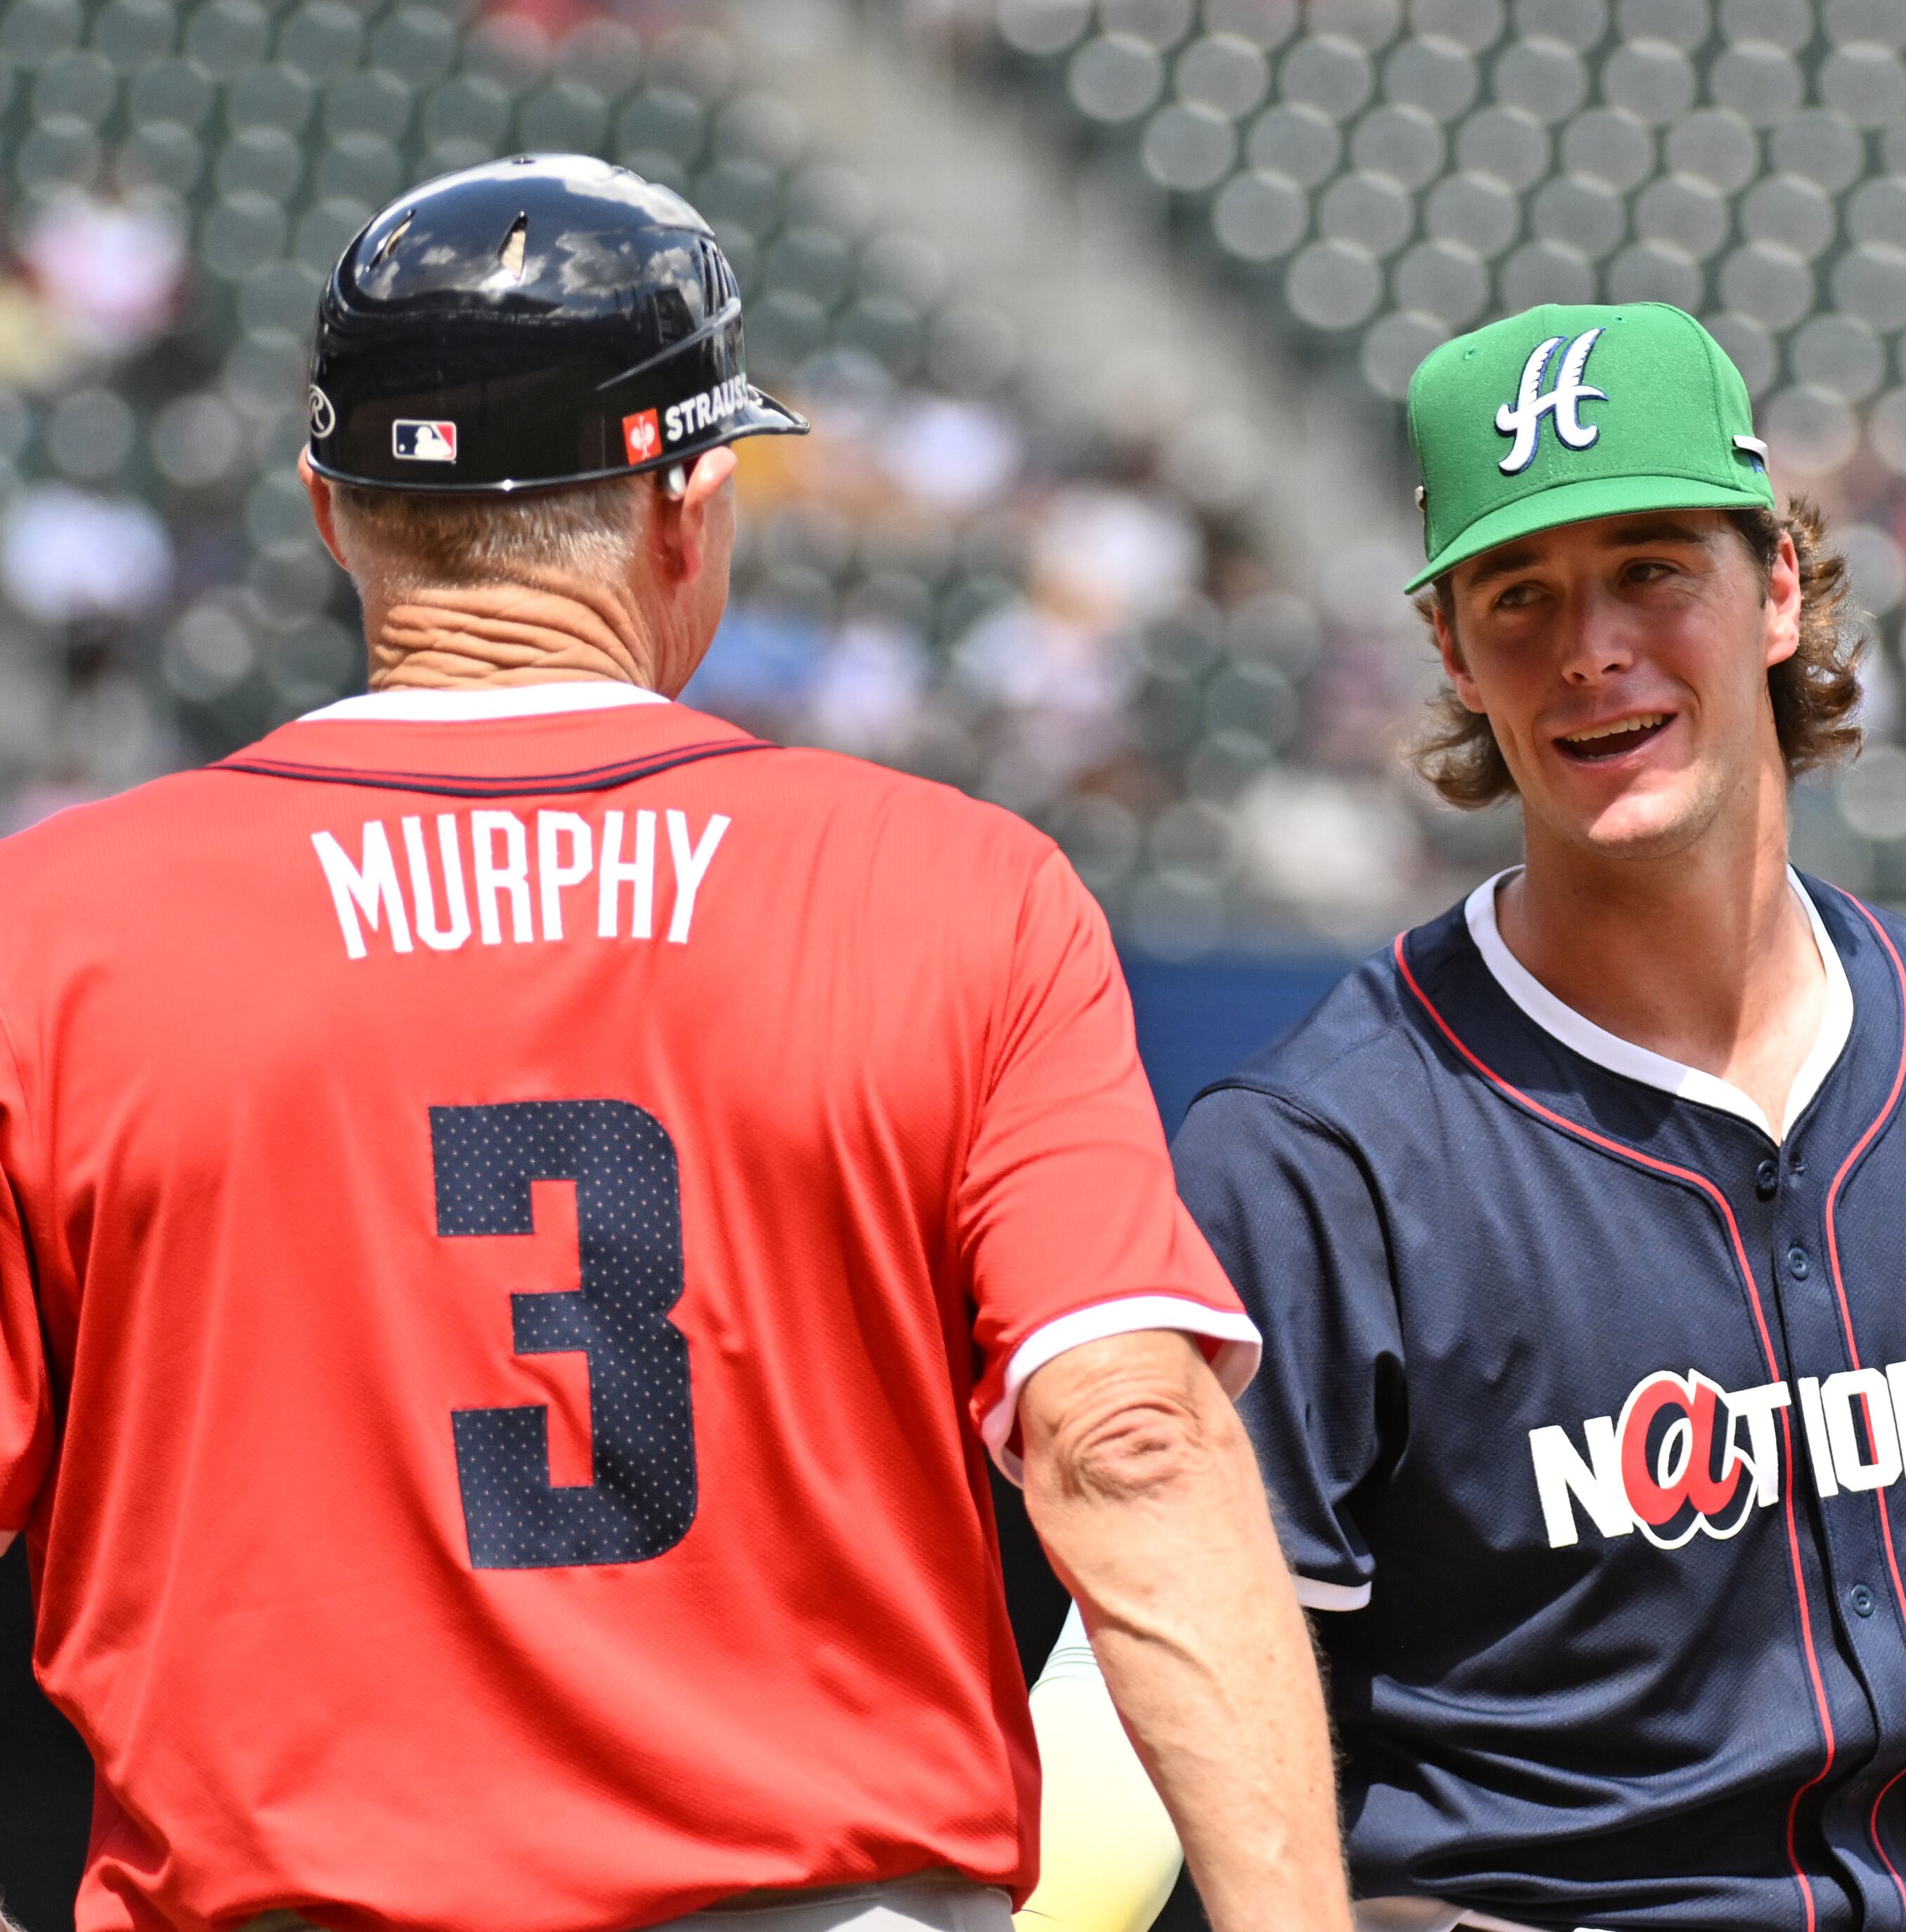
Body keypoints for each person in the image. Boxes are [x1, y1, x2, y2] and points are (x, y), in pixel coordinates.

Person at [0, 156, 1347, 1932]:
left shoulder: (62, 925)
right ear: (690, 505)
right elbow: (1135, 1442)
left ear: (331, 511)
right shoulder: (952, 889)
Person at [1161, 303, 1906, 1931]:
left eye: (1650, 570)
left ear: (1778, 590)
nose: (1591, 646)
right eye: (1521, 596)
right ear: (1454, 655)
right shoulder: (1316, 1154)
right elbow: (1188, 1690)